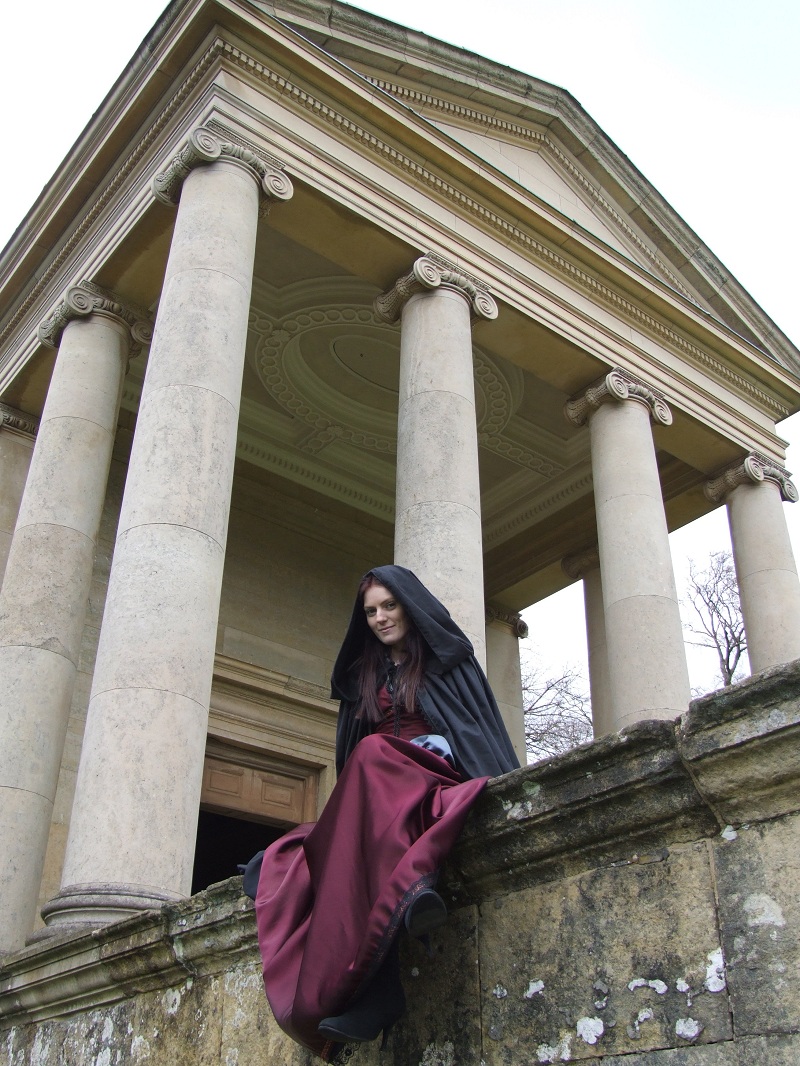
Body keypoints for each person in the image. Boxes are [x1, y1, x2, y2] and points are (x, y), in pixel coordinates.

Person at [253, 565, 520, 1062]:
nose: (380, 618)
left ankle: (399, 923)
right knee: (309, 846)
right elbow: (350, 757)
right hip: (381, 792)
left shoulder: (448, 663)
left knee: (373, 756)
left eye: (389, 606)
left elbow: (477, 733)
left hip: (437, 780)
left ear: (409, 606)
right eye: (371, 610)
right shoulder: (364, 677)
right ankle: (378, 977)